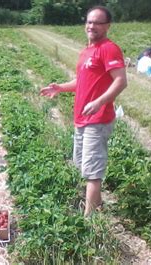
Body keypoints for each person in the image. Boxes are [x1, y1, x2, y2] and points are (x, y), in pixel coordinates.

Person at [40, 6, 127, 217]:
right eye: (89, 22)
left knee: (92, 173)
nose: (91, 26)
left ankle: (88, 222)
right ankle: (98, 207)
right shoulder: (87, 50)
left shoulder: (109, 48)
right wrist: (60, 87)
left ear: (107, 26)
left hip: (98, 119)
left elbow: (121, 81)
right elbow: (81, 81)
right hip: (81, 118)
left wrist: (100, 101)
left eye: (97, 22)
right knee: (82, 166)